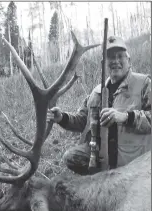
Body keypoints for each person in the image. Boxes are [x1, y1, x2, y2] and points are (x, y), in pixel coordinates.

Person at [47, 36, 151, 175]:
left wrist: (126, 117)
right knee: (71, 157)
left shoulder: (144, 83)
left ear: (129, 61)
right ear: (104, 63)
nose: (115, 61)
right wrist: (62, 118)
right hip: (103, 157)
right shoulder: (96, 91)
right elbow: (82, 120)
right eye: (110, 58)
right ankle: (99, 178)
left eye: (120, 56)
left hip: (133, 162)